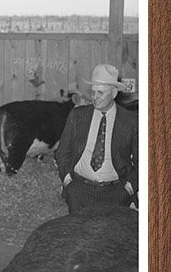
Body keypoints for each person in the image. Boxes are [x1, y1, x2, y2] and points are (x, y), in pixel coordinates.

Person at [55, 63, 138, 215]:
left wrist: (128, 189)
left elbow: (142, 162)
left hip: (115, 192)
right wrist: (68, 183)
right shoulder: (77, 116)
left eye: (100, 93)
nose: (94, 98)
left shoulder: (131, 121)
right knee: (80, 236)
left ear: (113, 93)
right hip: (79, 190)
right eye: (93, 92)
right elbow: (62, 153)